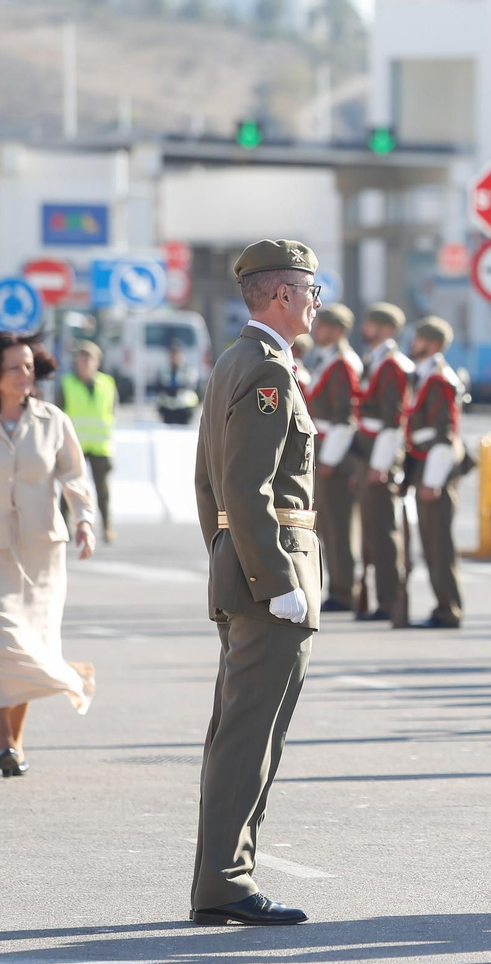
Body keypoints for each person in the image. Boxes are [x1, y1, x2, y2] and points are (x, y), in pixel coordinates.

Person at [189, 239, 322, 925]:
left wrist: (222, 552)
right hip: (269, 576)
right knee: (249, 737)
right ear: (282, 295)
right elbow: (245, 485)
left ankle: (222, 879)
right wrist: (272, 578)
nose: (316, 302)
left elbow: (207, 481)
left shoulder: (235, 361)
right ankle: (226, 882)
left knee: (239, 733)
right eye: (311, 290)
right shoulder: (267, 369)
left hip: (242, 567)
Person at [0, 333, 97, 778]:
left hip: (41, 550)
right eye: (16, 367)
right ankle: (2, 742)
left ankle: (12, 744)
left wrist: (84, 520)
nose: (25, 374)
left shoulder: (52, 420)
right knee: (0, 644)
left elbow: (74, 474)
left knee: (31, 646)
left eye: (30, 366)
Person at [404, 316, 466, 629]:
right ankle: (443, 606)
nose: (413, 344)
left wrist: (432, 480)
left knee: (439, 546)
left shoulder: (439, 379)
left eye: (419, 338)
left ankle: (448, 609)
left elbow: (445, 433)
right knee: (431, 544)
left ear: (433, 344)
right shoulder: (426, 375)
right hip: (426, 467)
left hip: (434, 472)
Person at [354, 303, 412, 625]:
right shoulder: (376, 362)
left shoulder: (390, 366)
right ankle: (381, 598)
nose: (366, 328)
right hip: (369, 456)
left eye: (373, 324)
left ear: (387, 329)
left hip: (381, 458)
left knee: (384, 532)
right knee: (373, 532)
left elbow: (393, 420)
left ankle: (390, 601)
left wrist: (379, 464)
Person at [305, 304, 363, 613]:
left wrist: (329, 458)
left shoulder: (342, 363)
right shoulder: (329, 360)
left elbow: (345, 416)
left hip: (336, 458)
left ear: (338, 331)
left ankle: (344, 590)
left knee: (338, 527)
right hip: (326, 451)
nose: (318, 330)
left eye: (325, 326)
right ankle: (339, 587)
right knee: (328, 526)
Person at [58, 341, 117, 543]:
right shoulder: (67, 384)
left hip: (100, 445)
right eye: (81, 358)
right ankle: (63, 526)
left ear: (97, 362)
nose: (84, 362)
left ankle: (107, 527)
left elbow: (111, 411)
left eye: (89, 358)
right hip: (75, 444)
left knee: (103, 491)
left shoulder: (108, 384)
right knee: (70, 488)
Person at [155, 342, 201, 425]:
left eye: (176, 353)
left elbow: (191, 385)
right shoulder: (164, 370)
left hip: (184, 409)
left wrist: (178, 388)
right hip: (167, 409)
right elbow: (159, 386)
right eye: (172, 354)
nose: (173, 357)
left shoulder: (188, 369)